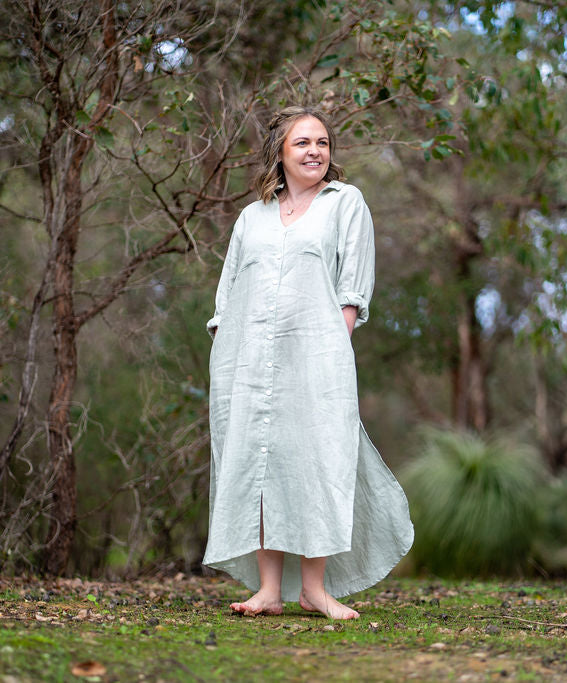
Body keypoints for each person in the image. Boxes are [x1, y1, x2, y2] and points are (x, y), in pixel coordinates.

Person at [203, 105, 413, 620]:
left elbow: (352, 286)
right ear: (279, 152)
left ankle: (315, 589)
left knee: (318, 461)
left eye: (322, 142)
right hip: (247, 363)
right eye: (302, 142)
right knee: (258, 463)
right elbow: (228, 295)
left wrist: (333, 348)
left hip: (316, 358)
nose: (315, 151)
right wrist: (227, 356)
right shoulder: (252, 217)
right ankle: (268, 591)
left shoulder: (345, 202)